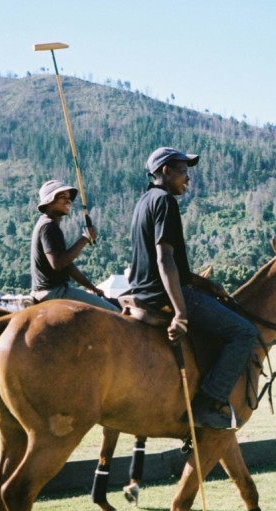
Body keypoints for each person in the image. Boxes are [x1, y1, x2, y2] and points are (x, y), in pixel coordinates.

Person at [125, 147, 258, 430]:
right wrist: (180, 313)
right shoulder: (165, 202)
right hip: (162, 293)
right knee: (244, 331)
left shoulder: (144, 202)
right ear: (165, 171)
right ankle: (208, 403)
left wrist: (205, 283)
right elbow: (164, 259)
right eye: (184, 171)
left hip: (141, 290)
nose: (188, 179)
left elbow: (174, 267)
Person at [30, 179, 116, 310]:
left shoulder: (47, 224)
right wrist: (85, 239)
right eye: (62, 197)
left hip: (50, 291)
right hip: (54, 293)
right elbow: (58, 264)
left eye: (69, 198)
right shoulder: (49, 226)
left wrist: (91, 288)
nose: (68, 201)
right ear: (48, 201)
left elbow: (67, 266)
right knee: (114, 312)